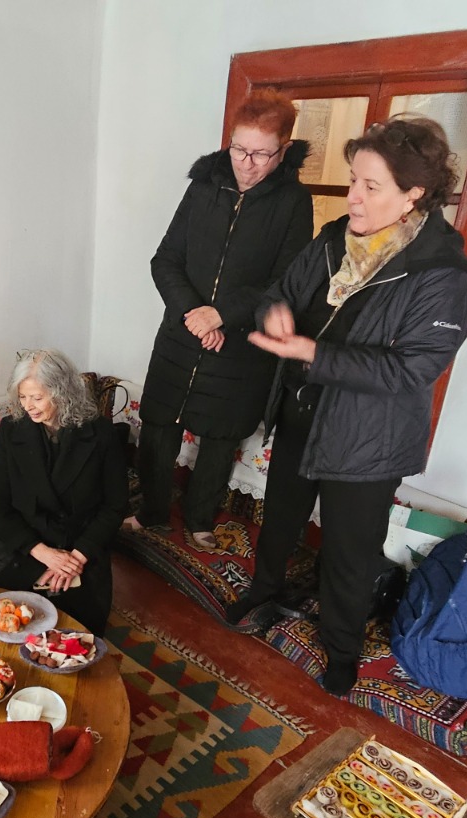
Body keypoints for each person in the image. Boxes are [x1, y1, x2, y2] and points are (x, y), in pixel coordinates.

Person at [231, 116, 467, 697]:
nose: (353, 197)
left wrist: (312, 352)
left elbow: (411, 369)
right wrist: (276, 316)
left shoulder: (442, 276)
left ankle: (340, 648)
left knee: (349, 551)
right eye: (353, 181)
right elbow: (279, 295)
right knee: (281, 518)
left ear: (413, 193)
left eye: (371, 186)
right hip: (301, 413)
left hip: (367, 440)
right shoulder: (333, 239)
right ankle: (265, 589)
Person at [129, 89, 314, 550]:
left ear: (284, 150)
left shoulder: (293, 202)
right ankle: (151, 512)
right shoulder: (203, 187)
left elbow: (285, 281)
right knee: (158, 425)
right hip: (182, 331)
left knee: (220, 436)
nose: (246, 163)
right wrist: (195, 314)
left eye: (260, 153)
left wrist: (222, 317)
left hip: (239, 344)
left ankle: (198, 520)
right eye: (238, 149)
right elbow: (164, 260)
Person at [0, 349, 129, 634]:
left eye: (37, 398)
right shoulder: (12, 431)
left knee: (78, 627)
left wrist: (75, 558)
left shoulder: (101, 435)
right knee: (3, 620)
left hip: (79, 543)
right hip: (25, 541)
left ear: (63, 394)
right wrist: (44, 553)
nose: (29, 407)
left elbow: (115, 506)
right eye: (23, 397)